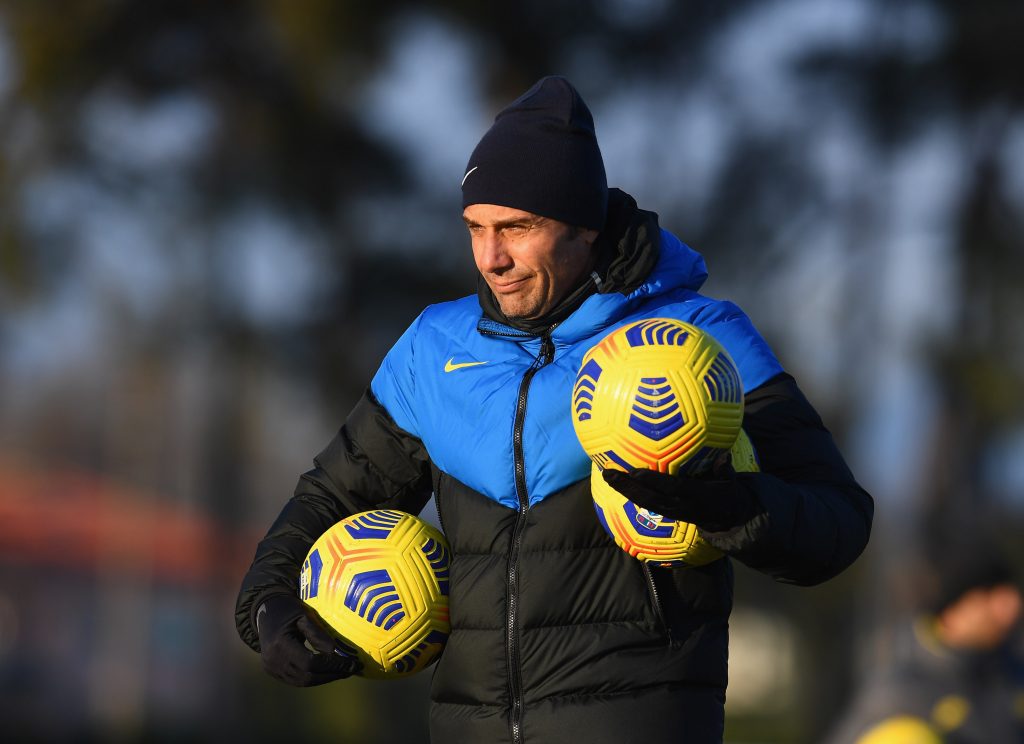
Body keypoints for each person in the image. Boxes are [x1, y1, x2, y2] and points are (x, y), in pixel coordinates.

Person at [235, 75, 874, 743]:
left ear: (584, 228)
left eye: (517, 228)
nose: (491, 258)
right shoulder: (432, 349)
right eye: (476, 228)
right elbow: (325, 501)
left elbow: (838, 523)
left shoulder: (697, 342)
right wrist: (270, 607)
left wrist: (730, 507)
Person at [825, 537, 1024, 744]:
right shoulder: (900, 695)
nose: (1012, 607)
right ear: (951, 612)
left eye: (1011, 592)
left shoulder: (1014, 675)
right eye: (989, 595)